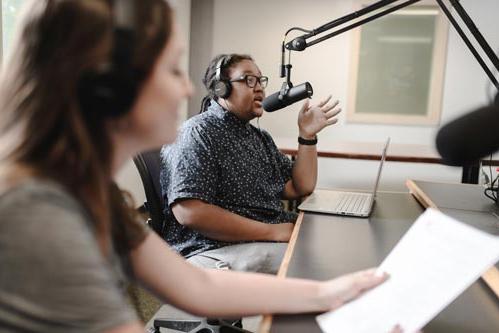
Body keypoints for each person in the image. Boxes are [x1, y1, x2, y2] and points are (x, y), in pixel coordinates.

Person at [0, 1, 389, 332]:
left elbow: (198, 288)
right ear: (109, 86)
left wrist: (330, 292)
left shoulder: (90, 194)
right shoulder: (35, 214)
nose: (187, 89)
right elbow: (190, 219)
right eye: (172, 70)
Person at [160, 53, 341, 273]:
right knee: (322, 263)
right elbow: (189, 212)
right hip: (215, 248)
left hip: (258, 241)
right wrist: (272, 232)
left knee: (331, 250)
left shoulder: (259, 137)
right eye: (248, 80)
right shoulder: (197, 133)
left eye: (260, 80)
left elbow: (297, 187)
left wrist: (307, 135)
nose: (260, 89)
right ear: (221, 89)